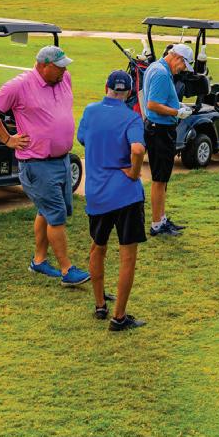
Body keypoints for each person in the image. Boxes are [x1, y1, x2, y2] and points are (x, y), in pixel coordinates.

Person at [0, 45, 90, 287]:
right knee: (56, 216)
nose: (64, 71)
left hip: (61, 159)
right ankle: (67, 270)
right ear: (42, 65)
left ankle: (39, 261)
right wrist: (7, 139)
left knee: (46, 211)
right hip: (37, 164)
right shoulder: (20, 85)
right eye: (59, 67)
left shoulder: (64, 79)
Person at [78, 70, 148, 331]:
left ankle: (99, 305)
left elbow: (83, 138)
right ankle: (119, 317)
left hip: (97, 193)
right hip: (125, 195)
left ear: (105, 86)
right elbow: (138, 149)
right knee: (127, 256)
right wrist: (132, 171)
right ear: (129, 93)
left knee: (98, 247)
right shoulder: (132, 119)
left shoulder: (90, 111)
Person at [140, 42, 194, 238]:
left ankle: (161, 219)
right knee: (159, 179)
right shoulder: (162, 74)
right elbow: (153, 104)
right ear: (178, 58)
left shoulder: (157, 67)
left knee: (163, 179)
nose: (182, 70)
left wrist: (177, 104)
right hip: (160, 131)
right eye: (183, 66)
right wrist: (177, 112)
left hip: (159, 129)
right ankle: (156, 224)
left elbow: (161, 99)